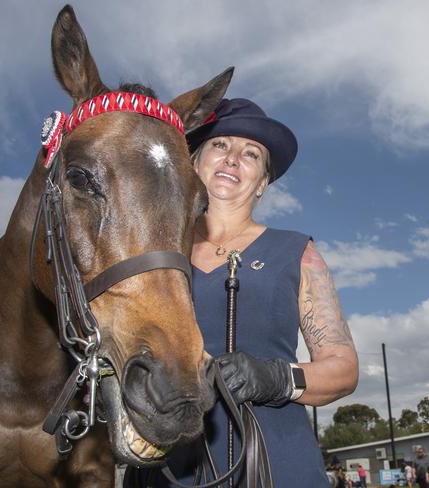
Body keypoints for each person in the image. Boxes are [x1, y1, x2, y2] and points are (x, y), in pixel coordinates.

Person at [133, 98, 359, 487]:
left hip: (275, 461)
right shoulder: (149, 252)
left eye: (251, 153)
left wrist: (275, 378)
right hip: (169, 465)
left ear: (263, 183)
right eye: (220, 145)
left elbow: (343, 368)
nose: (233, 158)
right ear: (193, 162)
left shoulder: (296, 251)